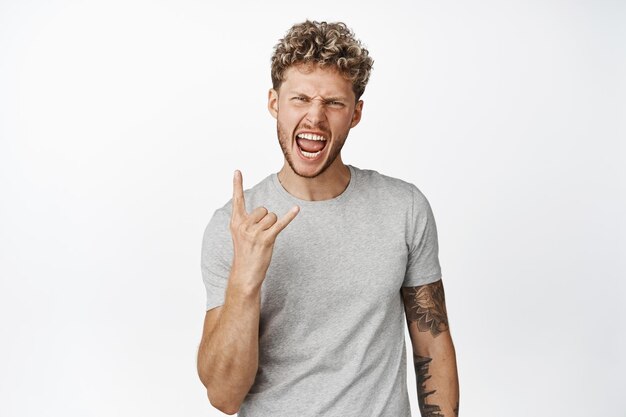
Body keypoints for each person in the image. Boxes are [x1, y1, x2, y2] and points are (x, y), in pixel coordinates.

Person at [197, 20, 459, 417]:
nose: (315, 118)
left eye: (334, 103)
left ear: (355, 113)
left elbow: (432, 345)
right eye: (300, 99)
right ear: (274, 104)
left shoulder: (404, 207)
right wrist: (244, 279)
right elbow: (224, 396)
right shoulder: (234, 225)